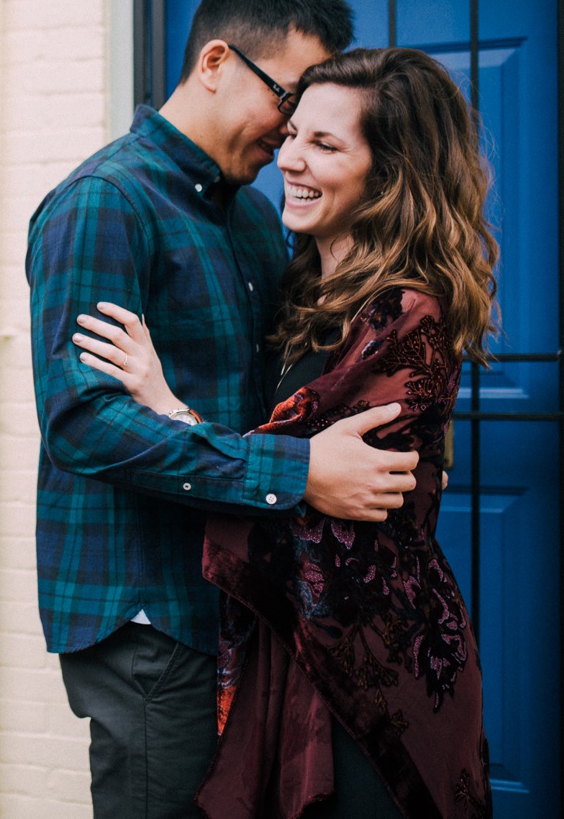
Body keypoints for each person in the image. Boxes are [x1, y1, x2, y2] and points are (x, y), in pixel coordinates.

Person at [26, 0, 420, 818]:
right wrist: (296, 473)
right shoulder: (104, 205)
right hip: (151, 613)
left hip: (242, 600)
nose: (289, 137)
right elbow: (83, 424)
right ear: (215, 61)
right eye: (286, 99)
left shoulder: (249, 217)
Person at [74, 47, 497, 817]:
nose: (289, 160)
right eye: (293, 134)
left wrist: (168, 406)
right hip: (298, 647)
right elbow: (294, 467)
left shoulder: (406, 314)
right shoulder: (302, 283)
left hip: (372, 673)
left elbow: (325, 513)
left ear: (391, 169)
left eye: (325, 145)